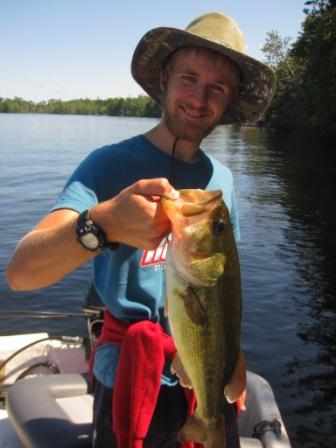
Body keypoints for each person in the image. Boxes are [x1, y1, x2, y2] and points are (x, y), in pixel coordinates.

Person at [6, 11, 276, 448]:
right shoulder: (108, 165)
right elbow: (21, 274)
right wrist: (105, 222)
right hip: (130, 371)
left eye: (217, 87)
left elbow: (224, 295)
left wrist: (234, 363)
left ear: (229, 102)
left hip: (203, 373)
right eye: (189, 78)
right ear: (166, 79)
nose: (199, 97)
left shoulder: (221, 182)